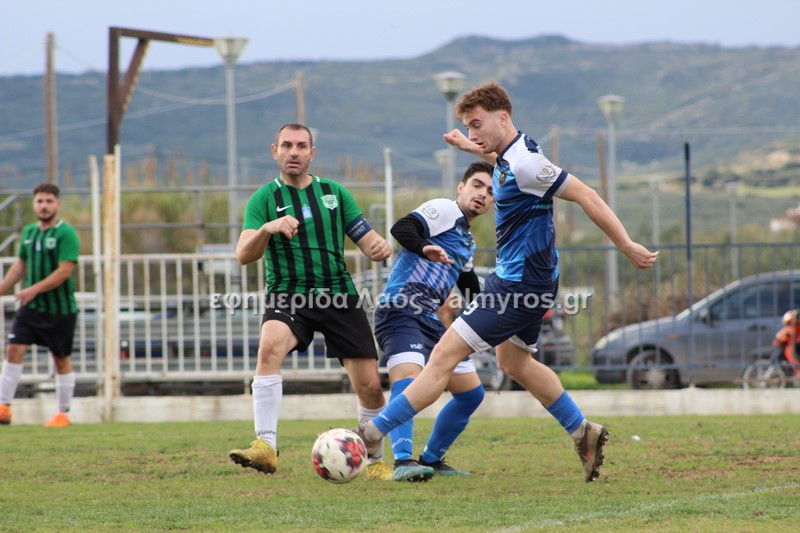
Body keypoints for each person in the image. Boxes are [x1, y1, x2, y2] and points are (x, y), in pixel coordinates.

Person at [359, 82, 659, 482]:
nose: (473, 132)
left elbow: (587, 195)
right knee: (514, 362)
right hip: (535, 281)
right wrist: (469, 147)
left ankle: (371, 433)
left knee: (443, 356)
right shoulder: (512, 152)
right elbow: (498, 157)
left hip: (518, 285)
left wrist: (626, 244)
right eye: (468, 126)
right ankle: (581, 431)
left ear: (502, 118)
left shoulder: (527, 164)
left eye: (476, 124)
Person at [228, 123, 395, 480]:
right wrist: (267, 228)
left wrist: (380, 246)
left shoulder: (334, 194)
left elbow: (368, 241)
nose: (294, 152)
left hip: (338, 293)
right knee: (269, 347)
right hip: (288, 293)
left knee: (370, 385)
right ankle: (265, 446)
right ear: (274, 151)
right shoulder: (263, 199)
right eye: (287, 145)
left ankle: (375, 461)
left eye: (301, 146)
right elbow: (243, 254)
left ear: (312, 153)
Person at [374, 160, 494, 482]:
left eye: (490, 191)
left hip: (430, 320)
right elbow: (402, 229)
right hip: (400, 310)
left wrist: (494, 312)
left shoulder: (466, 241)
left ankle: (432, 459)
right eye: (477, 185)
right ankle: (403, 460)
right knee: (409, 378)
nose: (482, 194)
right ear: (461, 187)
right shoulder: (444, 209)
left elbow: (468, 284)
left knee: (471, 394)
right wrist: (425, 247)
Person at [0, 183, 81, 427]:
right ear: (34, 204)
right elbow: (20, 266)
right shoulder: (28, 232)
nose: (44, 206)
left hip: (60, 310)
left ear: (58, 204)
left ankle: (63, 414)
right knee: (14, 349)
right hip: (31, 307)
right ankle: (3, 407)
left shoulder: (66, 234)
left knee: (60, 358)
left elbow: (64, 271)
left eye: (48, 201)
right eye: (40, 201)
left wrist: (33, 289)